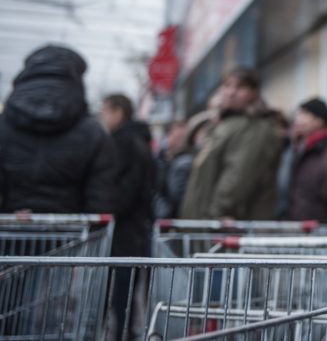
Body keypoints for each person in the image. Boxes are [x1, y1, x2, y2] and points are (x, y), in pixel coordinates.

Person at [0, 44, 116, 214]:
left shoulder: (4, 124)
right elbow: (101, 196)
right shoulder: (93, 133)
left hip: (10, 229)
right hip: (72, 235)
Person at [179, 67, 282, 220]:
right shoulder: (226, 123)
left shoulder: (253, 127)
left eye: (240, 87)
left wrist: (215, 215)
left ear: (254, 93)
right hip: (204, 220)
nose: (231, 92)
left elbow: (237, 178)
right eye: (227, 85)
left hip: (223, 225)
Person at [100, 93, 155, 341]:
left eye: (106, 112)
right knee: (128, 287)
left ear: (118, 112)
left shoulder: (123, 143)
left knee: (120, 287)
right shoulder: (138, 141)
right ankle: (127, 331)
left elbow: (123, 189)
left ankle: (122, 333)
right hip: (136, 227)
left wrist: (107, 208)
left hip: (124, 228)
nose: (103, 117)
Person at [287, 98, 327, 222]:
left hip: (321, 226)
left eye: (305, 115)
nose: (298, 120)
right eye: (298, 115)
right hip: (301, 224)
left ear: (320, 120)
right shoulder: (300, 149)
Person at [152, 120, 187, 218]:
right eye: (178, 137)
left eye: (183, 138)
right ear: (168, 135)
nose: (180, 142)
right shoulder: (158, 160)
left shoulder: (186, 161)